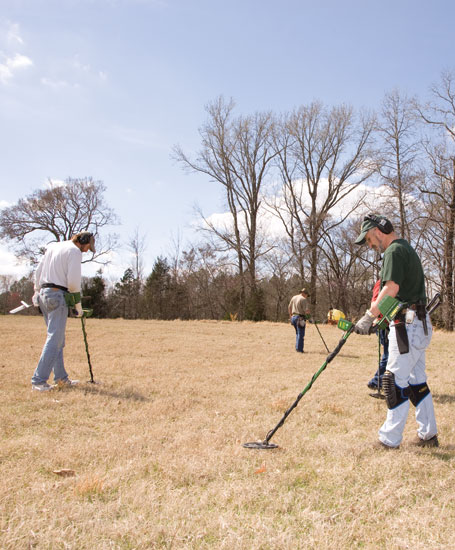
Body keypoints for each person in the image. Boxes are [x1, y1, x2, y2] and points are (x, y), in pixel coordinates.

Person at [354, 214, 438, 449]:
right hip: (417, 323)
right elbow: (401, 295)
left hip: (407, 327)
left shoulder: (393, 251)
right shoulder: (405, 249)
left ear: (378, 231)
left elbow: (391, 288)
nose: (370, 245)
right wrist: (379, 321)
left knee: (393, 381)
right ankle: (428, 435)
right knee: (416, 382)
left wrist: (370, 315)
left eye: (369, 239)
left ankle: (389, 440)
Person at [31, 232, 96, 391]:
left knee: (56, 338)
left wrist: (36, 291)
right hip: (57, 295)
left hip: (44, 295)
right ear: (83, 241)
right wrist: (78, 307)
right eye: (88, 247)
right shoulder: (74, 251)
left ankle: (61, 378)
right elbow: (73, 283)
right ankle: (39, 381)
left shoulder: (53, 247)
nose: (87, 251)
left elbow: (38, 272)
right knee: (55, 339)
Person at [367, 280, 389, 390]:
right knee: (388, 355)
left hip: (390, 324)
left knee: (390, 355)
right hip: (383, 324)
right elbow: (374, 303)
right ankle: (377, 381)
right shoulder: (381, 283)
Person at [288, 288, 310, 353]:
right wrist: (309, 316)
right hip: (300, 318)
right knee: (301, 334)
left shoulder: (294, 297)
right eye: (307, 295)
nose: (307, 297)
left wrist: (290, 316)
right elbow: (306, 310)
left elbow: (289, 307)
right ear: (305, 294)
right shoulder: (303, 299)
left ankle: (297, 348)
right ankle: (299, 350)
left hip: (293, 317)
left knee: (297, 333)